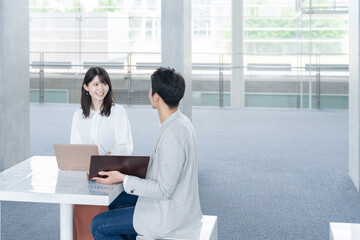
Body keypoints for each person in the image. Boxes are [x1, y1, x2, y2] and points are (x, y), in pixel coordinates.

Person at [90, 67, 203, 240]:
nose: (149, 94)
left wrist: (123, 178)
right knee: (115, 198)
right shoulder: (181, 121)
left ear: (156, 97)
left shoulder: (171, 136)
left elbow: (163, 190)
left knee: (98, 225)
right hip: (178, 202)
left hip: (169, 214)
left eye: (150, 90)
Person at [70, 66, 136, 240]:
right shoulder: (78, 116)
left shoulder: (118, 112)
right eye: (95, 84)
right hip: (85, 175)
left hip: (111, 173)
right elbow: (75, 147)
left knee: (103, 217)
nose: (100, 89)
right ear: (86, 87)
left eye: (104, 83)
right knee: (77, 207)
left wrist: (106, 158)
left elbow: (125, 145)